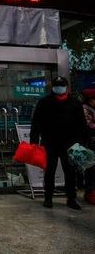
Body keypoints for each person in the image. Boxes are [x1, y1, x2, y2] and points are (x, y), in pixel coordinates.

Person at [30, 76, 88, 209]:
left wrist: (82, 142)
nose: (59, 88)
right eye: (57, 85)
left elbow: (82, 124)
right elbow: (36, 123)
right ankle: (48, 197)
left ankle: (71, 198)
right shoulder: (44, 102)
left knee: (70, 171)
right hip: (49, 142)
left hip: (70, 143)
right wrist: (34, 141)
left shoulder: (74, 103)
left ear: (66, 87)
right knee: (49, 170)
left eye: (61, 85)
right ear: (53, 87)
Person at [82, 88, 95, 205]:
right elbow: (88, 126)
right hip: (89, 143)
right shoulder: (85, 110)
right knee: (91, 168)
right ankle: (89, 192)